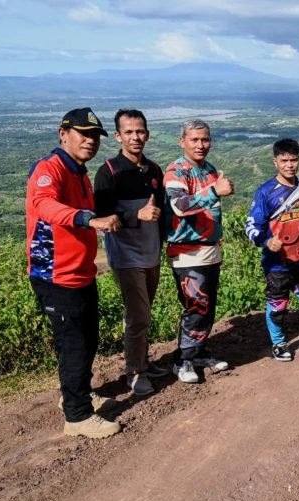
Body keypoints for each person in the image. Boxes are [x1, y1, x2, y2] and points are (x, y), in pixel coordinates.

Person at [26, 107, 122, 438]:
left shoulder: (79, 172)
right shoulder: (49, 169)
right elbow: (45, 205)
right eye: (84, 133)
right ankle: (77, 416)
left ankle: (76, 392)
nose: (90, 140)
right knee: (74, 344)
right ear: (63, 133)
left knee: (87, 339)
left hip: (80, 274)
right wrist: (87, 219)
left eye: (95, 135)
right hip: (55, 277)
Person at [94, 109, 169, 396]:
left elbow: (160, 214)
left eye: (140, 131)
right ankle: (134, 373)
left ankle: (143, 362)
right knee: (138, 316)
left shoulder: (153, 170)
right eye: (129, 132)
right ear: (118, 136)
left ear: (147, 134)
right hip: (126, 257)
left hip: (151, 253)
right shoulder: (109, 172)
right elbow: (103, 219)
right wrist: (136, 214)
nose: (135, 137)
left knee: (144, 313)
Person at [245, 139, 299, 362]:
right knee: (278, 305)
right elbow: (252, 226)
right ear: (275, 162)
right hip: (277, 263)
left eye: (293, 160)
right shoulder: (265, 192)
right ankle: (279, 343)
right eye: (284, 160)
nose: (289, 165)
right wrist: (266, 241)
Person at [164, 119, 233, 383]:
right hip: (187, 252)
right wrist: (215, 190)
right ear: (183, 142)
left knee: (207, 306)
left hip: (209, 249)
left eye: (205, 139)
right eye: (194, 140)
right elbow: (180, 205)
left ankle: (199, 352)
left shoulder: (209, 168)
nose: (201, 145)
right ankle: (182, 360)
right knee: (196, 305)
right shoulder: (177, 171)